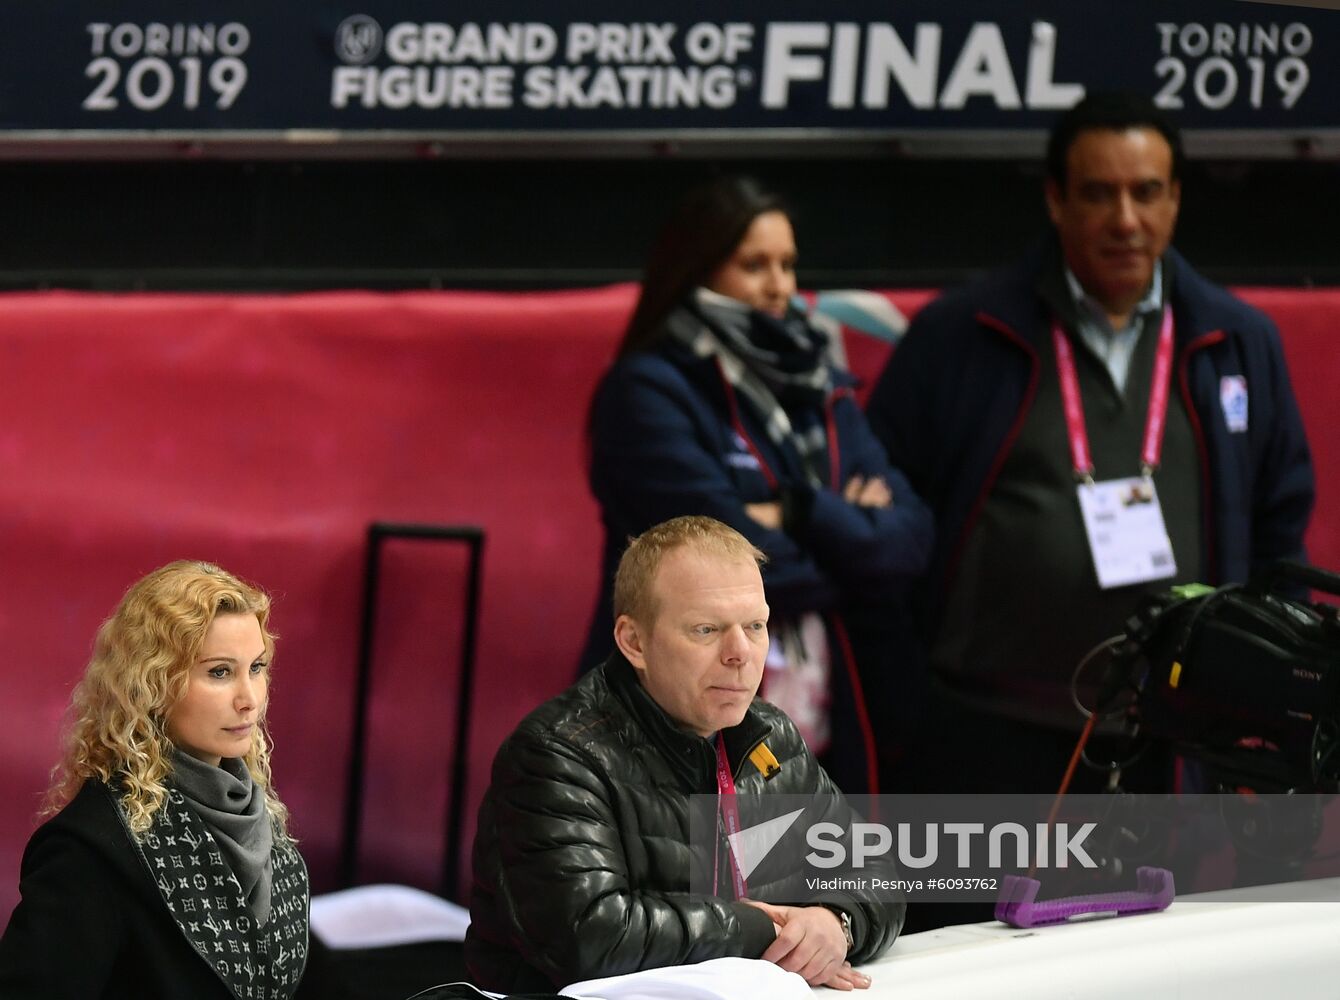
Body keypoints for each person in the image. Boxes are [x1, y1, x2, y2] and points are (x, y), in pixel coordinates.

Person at [866, 92, 1315, 796]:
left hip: (1171, 738)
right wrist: (903, 714)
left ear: (1176, 198)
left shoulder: (1237, 341)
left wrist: (1269, 711)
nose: (1125, 220)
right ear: (1056, 199)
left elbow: (1278, 535)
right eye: (1100, 194)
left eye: (1146, 192)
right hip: (981, 732)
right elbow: (879, 537)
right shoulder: (960, 337)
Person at [580, 175, 934, 795]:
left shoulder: (820, 384)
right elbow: (720, 580)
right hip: (678, 729)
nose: (779, 287)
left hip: (833, 721)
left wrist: (797, 512)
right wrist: (855, 550)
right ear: (698, 268)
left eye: (787, 264)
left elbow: (908, 542)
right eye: (754, 266)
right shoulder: (647, 393)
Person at [468, 516, 903, 993]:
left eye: (756, 626)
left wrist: (834, 922)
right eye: (706, 629)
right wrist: (766, 931)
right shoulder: (558, 755)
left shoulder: (771, 739)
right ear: (634, 642)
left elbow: (877, 870)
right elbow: (590, 935)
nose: (740, 653)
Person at [0, 561, 310, 1000]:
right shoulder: (91, 849)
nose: (250, 699)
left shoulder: (263, 821)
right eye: (220, 672)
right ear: (153, 682)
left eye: (256, 667)